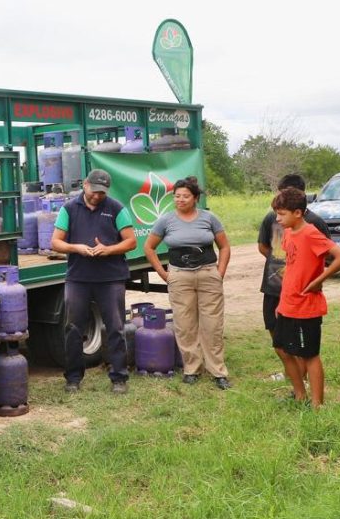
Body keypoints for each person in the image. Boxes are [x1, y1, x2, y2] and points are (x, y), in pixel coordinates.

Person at [49, 169, 137, 394]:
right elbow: (56, 243)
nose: (98, 196)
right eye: (95, 191)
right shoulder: (68, 208)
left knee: (115, 327)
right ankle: (73, 378)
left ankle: (119, 378)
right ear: (85, 185)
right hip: (78, 278)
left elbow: (131, 242)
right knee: (73, 328)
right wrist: (75, 247)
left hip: (111, 278)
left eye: (102, 192)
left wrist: (108, 250)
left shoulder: (116, 208)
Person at [143, 176, 232, 389]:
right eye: (177, 196)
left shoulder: (209, 218)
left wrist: (219, 272)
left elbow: (225, 246)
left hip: (208, 273)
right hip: (179, 276)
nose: (180, 200)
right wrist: (164, 274)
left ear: (195, 198)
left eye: (185, 196)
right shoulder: (166, 220)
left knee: (212, 325)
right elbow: (149, 247)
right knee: (184, 324)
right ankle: (192, 368)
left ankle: (218, 371)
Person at [271, 187, 340, 408]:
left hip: (307, 306)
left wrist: (318, 280)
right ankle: (300, 394)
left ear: (298, 213)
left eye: (282, 214)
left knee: (309, 355)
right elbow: (291, 266)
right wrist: (281, 301)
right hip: (288, 303)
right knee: (281, 348)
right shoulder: (288, 232)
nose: (278, 218)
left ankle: (318, 405)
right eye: (276, 213)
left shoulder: (311, 233)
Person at [257, 174, 329, 381]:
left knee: (302, 342)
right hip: (273, 286)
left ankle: (303, 378)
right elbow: (264, 247)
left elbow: (326, 258)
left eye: (286, 195)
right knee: (275, 333)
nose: (280, 202)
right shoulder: (272, 218)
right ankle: (294, 375)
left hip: (302, 294)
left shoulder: (315, 224)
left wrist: (314, 281)